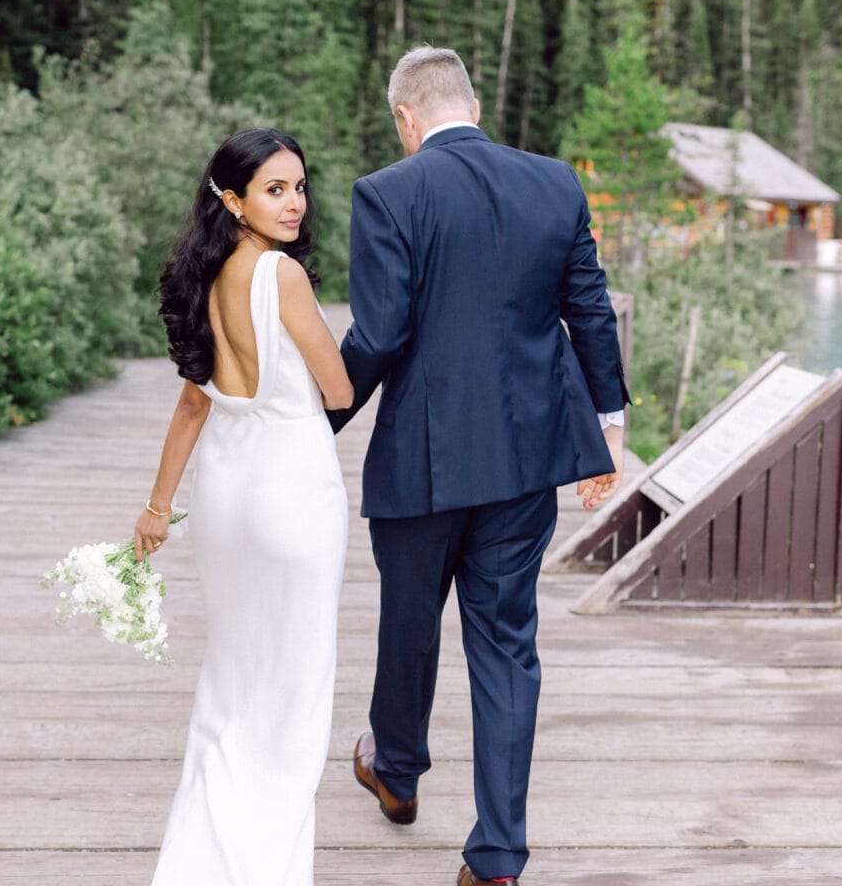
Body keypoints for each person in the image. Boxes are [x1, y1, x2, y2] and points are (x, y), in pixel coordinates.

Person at [328, 47, 629, 885]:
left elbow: (378, 336)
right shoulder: (554, 184)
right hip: (528, 456)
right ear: (473, 101)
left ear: (406, 117)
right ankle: (496, 856)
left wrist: (316, 423)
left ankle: (396, 771)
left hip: (423, 463)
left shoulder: (389, 194)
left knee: (409, 621)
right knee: (506, 646)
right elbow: (589, 309)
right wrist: (608, 425)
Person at [132, 128, 353, 885]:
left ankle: (198, 863)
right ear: (234, 199)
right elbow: (338, 389)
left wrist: (156, 509)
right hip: (291, 495)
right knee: (293, 696)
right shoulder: (281, 277)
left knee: (230, 682)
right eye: (274, 189)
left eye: (299, 187)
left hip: (223, 500)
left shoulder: (204, 277)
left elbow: (194, 405)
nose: (294, 203)